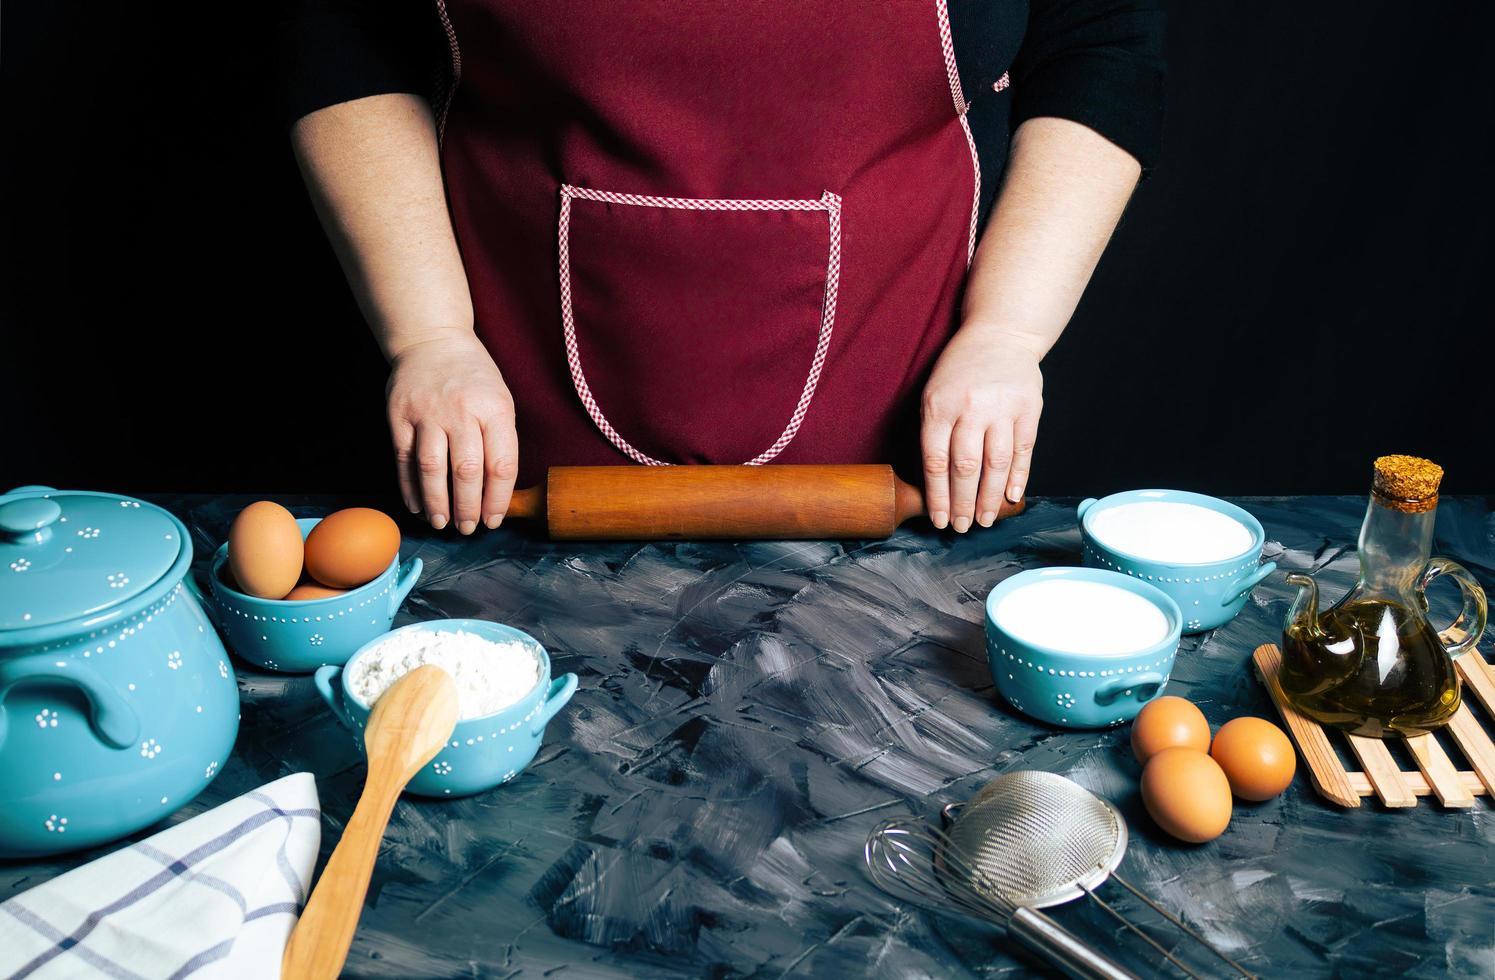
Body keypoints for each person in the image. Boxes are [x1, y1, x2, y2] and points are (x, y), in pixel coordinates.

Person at [278, 0, 1164, 535]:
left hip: (905, 463)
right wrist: (428, 335)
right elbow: (344, 31)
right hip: (501, 447)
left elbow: (1098, 42)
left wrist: (1007, 333)